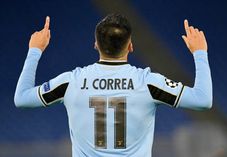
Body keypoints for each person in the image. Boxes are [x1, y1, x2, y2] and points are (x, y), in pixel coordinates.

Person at [14, 14, 212, 157]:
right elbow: (203, 100)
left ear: (96, 45)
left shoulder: (70, 82)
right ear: (130, 46)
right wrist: (200, 53)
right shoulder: (148, 83)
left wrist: (35, 50)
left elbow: (22, 98)